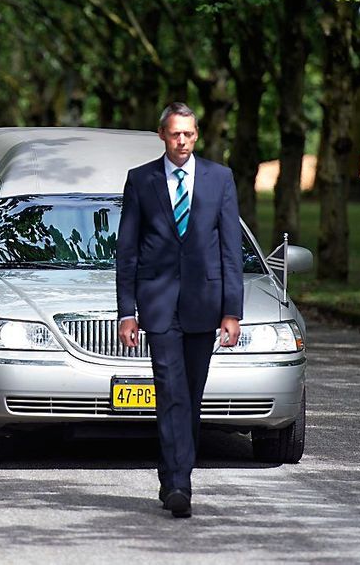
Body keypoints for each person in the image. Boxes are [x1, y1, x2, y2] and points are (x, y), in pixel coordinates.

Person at [115, 102, 243, 518]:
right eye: (175, 134)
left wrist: (232, 311)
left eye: (188, 134)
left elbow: (229, 251)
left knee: (191, 395)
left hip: (204, 305)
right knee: (170, 391)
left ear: (197, 134)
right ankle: (177, 484)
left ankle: (175, 470)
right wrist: (126, 312)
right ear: (162, 135)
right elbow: (127, 250)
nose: (182, 141)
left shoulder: (219, 179)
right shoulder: (141, 180)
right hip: (158, 305)